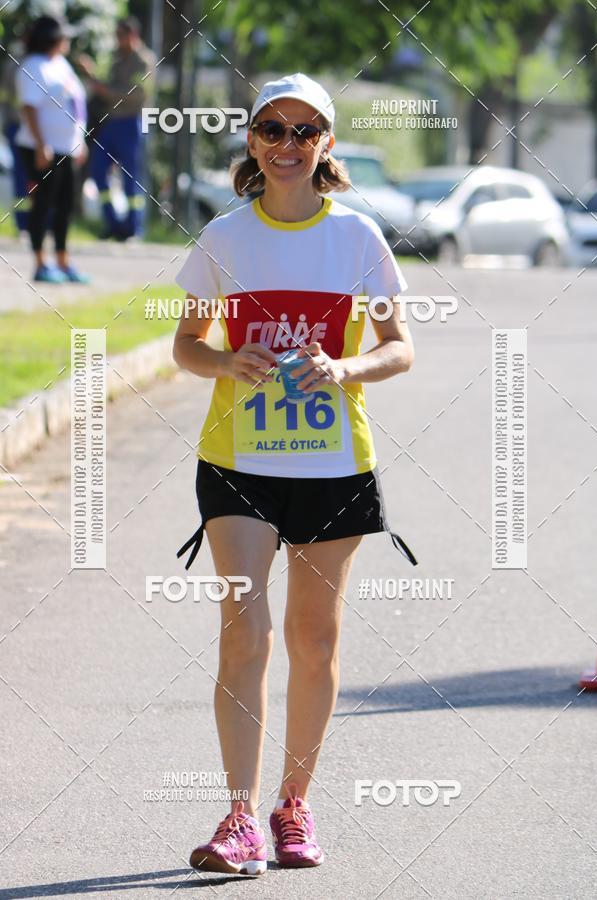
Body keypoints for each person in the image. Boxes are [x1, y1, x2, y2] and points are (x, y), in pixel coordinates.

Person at [173, 73, 417, 876]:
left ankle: (293, 805)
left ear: (326, 146)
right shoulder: (224, 236)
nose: (286, 144)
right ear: (250, 140)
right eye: (271, 129)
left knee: (315, 639)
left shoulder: (357, 237)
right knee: (245, 633)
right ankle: (239, 818)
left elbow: (399, 347)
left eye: (304, 131)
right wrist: (224, 358)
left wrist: (346, 370)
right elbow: (186, 347)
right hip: (237, 460)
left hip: (335, 465)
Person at [15, 16, 89, 283]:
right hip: (43, 148)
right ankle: (40, 263)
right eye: (64, 36)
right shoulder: (33, 66)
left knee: (65, 206)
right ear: (53, 38)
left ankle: (63, 261)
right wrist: (40, 144)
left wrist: (79, 141)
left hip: (67, 148)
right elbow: (29, 108)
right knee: (43, 205)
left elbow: (76, 105)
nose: (68, 40)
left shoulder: (61, 64)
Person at [79, 17, 155, 241]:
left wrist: (105, 90)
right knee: (97, 170)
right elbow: (105, 85)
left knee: (131, 177)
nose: (117, 40)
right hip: (111, 122)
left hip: (132, 122)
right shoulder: (116, 57)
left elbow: (139, 93)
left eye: (121, 35)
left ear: (132, 35)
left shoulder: (144, 60)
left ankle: (133, 228)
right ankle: (113, 223)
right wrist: (92, 75)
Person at [0, 35, 30, 237]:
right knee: (22, 175)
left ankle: (35, 225)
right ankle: (24, 226)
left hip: (21, 127)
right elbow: (5, 99)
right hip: (19, 126)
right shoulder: (14, 66)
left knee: (32, 176)